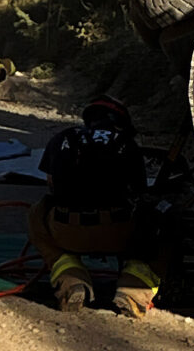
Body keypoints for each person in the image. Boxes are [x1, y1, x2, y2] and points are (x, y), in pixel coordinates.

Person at [27, 96, 162, 317]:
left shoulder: (64, 138)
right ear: (121, 123)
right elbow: (139, 192)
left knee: (37, 212)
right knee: (161, 221)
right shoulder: (128, 143)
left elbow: (51, 184)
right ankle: (133, 289)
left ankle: (70, 278)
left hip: (66, 232)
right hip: (120, 233)